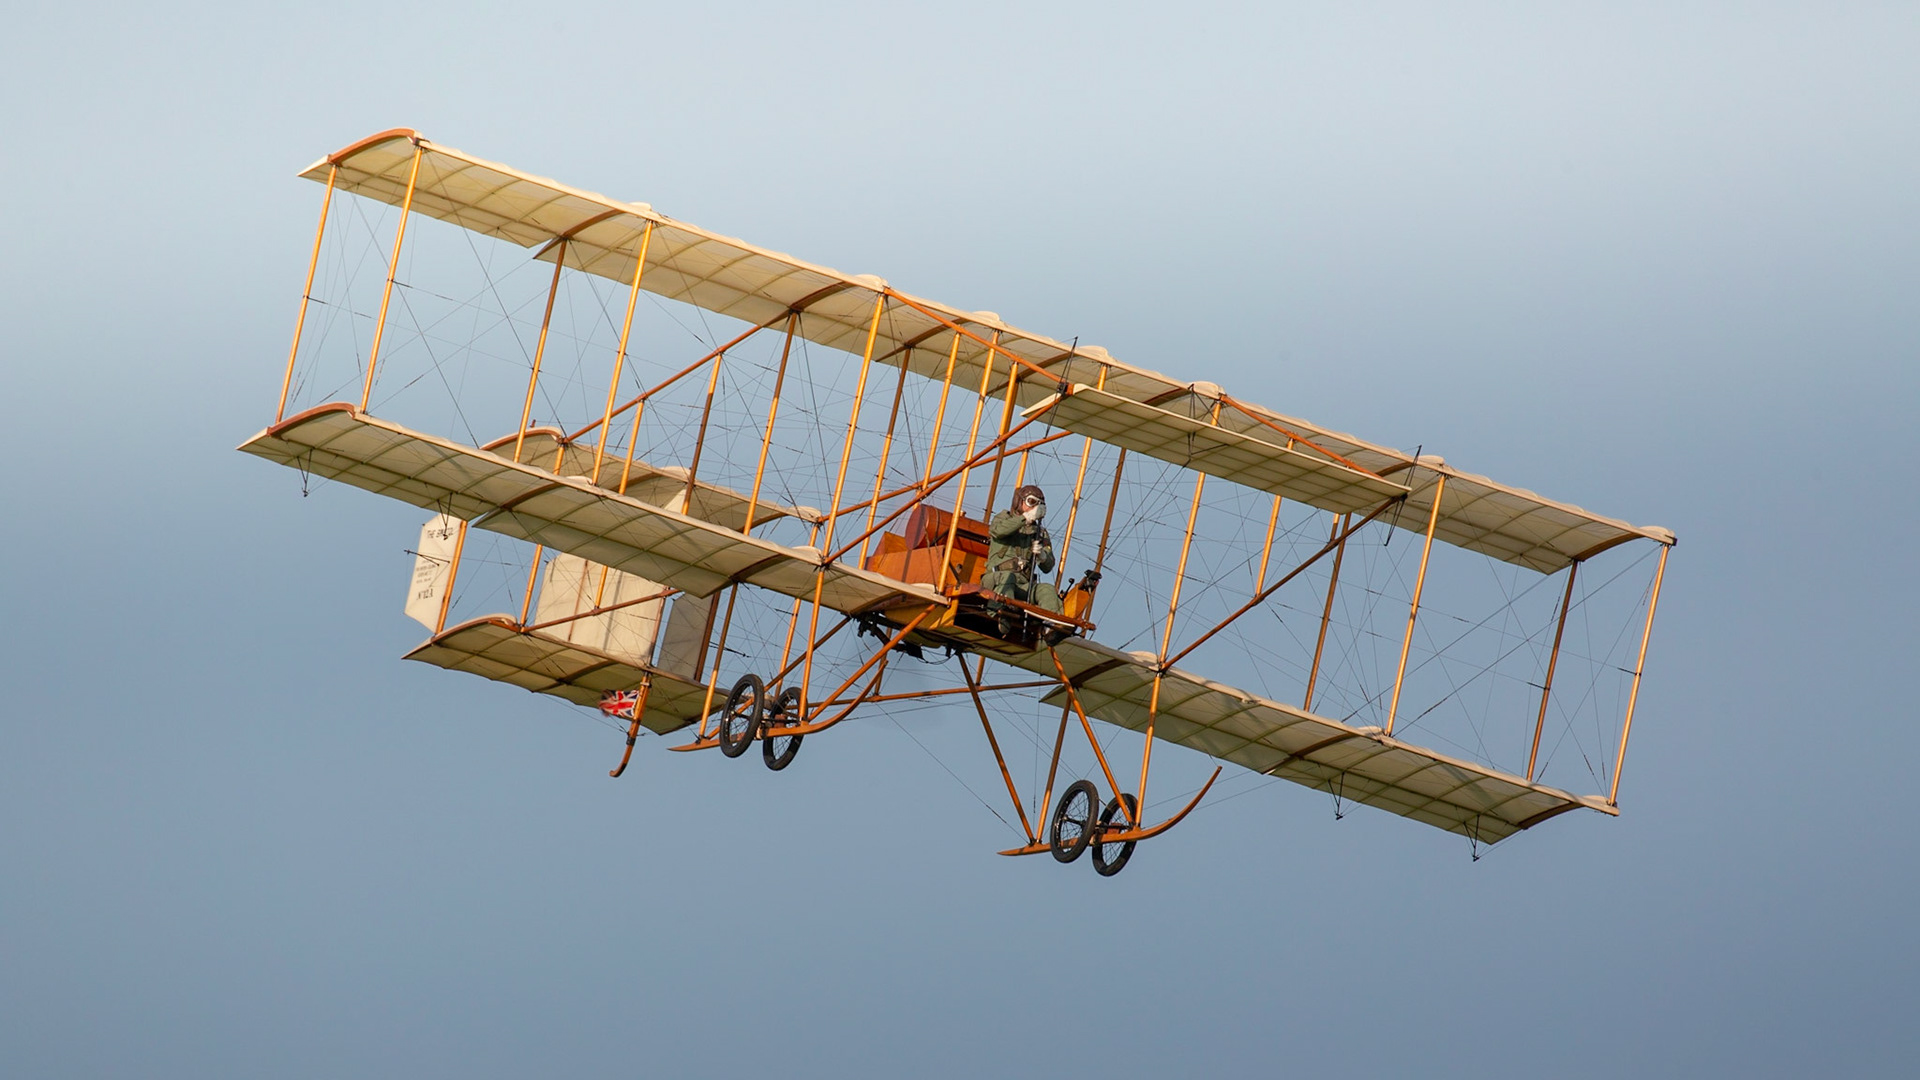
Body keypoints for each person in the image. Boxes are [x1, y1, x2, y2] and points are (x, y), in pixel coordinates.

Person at [983, 485, 1063, 629]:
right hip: (995, 580)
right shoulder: (1004, 518)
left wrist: (1042, 556)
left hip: (1022, 586)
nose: (1034, 508)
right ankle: (1001, 614)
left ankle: (1052, 625)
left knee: (1047, 589)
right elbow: (998, 531)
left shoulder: (1039, 533)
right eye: (1031, 502)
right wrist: (1025, 518)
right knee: (1008, 577)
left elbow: (1048, 567)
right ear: (1019, 502)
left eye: (1038, 505)